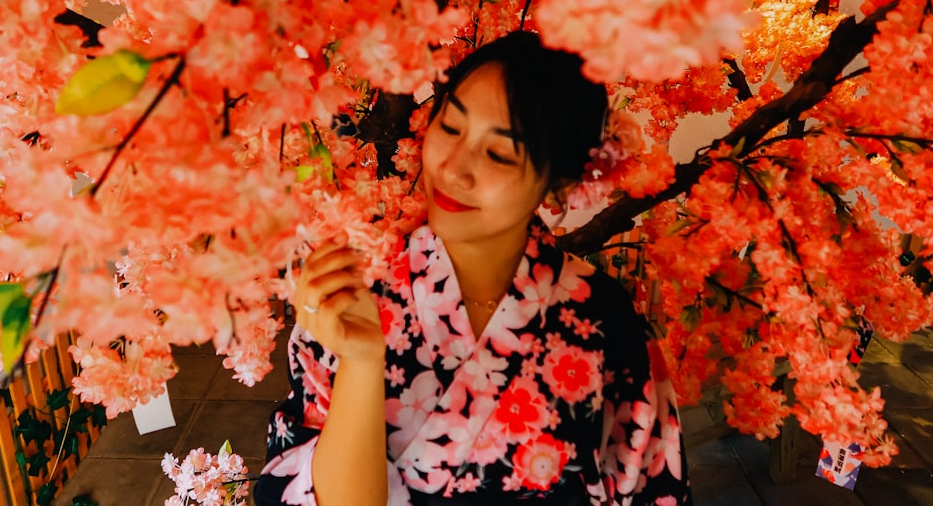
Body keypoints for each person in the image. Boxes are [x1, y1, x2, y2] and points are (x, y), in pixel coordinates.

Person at [254, 31, 691, 505]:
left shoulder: (603, 320)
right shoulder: (353, 292)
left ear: (558, 183)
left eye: (500, 153)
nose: (455, 168)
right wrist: (361, 362)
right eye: (451, 127)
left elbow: (651, 487)